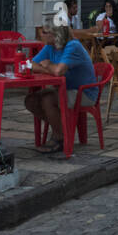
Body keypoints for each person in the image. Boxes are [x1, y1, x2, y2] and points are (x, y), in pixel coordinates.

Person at [26, 23, 96, 155]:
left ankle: (59, 138)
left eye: (45, 32)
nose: (42, 34)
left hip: (84, 93)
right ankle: (62, 129)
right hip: (65, 90)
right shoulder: (49, 47)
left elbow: (58, 72)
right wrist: (46, 67)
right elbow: (31, 64)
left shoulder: (72, 46)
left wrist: (49, 65)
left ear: (56, 35)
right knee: (31, 100)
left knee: (47, 100)